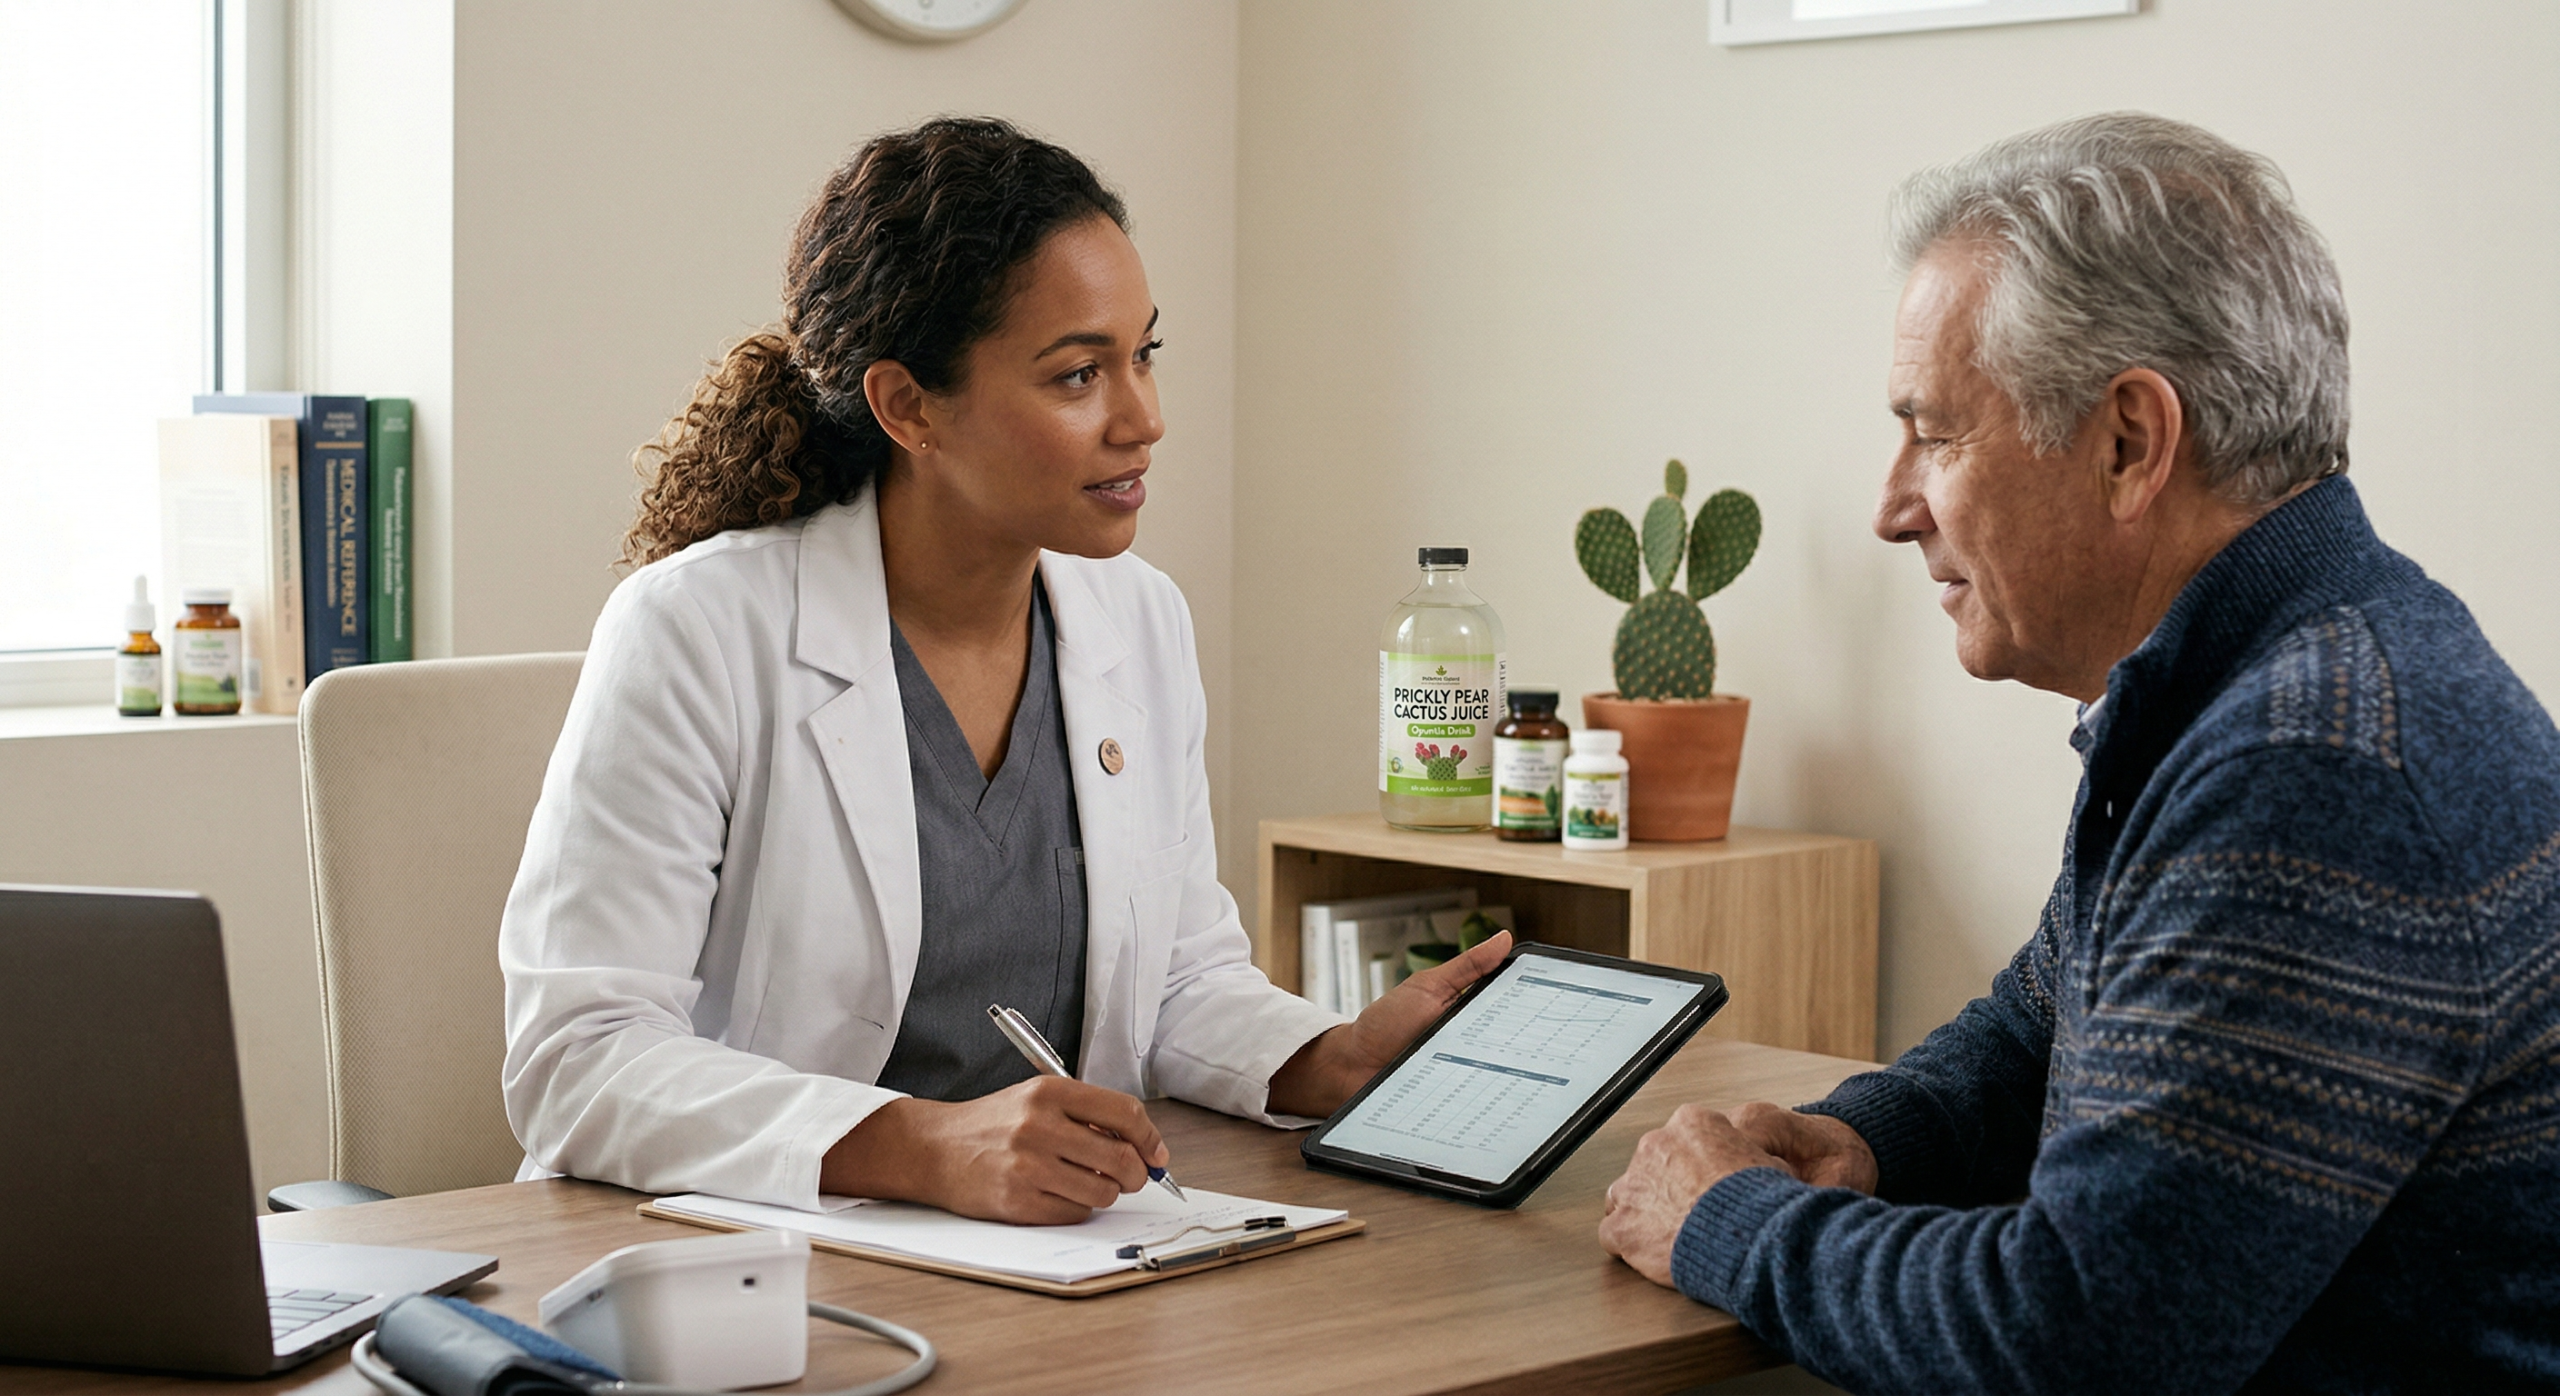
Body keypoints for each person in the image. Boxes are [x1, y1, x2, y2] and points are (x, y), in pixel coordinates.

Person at [1598, 112, 2560, 1389]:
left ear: (2128, 443)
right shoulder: (2259, 682)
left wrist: (1728, 1221)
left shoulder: (2312, 767)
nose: (1891, 507)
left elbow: (2078, 1340)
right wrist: (1863, 1140)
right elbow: (2044, 1025)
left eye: (1935, 432)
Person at [500, 117, 1506, 1223]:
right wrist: (929, 1147)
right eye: (1078, 375)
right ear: (908, 406)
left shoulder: (1139, 620)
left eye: (1143, 354)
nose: (1144, 419)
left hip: (1055, 1256)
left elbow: (1178, 980)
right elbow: (578, 1057)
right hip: (751, 1261)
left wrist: (1329, 1057)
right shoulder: (695, 629)